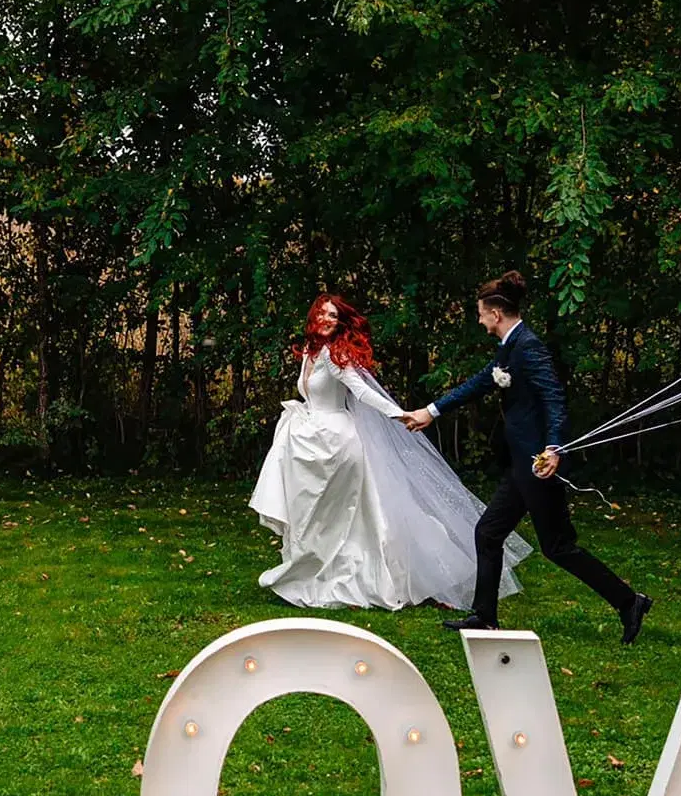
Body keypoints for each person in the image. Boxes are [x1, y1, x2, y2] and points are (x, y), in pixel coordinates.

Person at [403, 271, 652, 643]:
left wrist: (554, 447)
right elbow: (480, 382)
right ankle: (484, 617)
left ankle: (629, 601)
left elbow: (553, 398)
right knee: (488, 533)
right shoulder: (510, 347)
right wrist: (431, 411)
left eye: (481, 313)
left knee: (557, 547)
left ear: (496, 313)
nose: (479, 319)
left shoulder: (528, 347)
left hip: (536, 464)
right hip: (522, 464)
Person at [250, 293, 529, 610]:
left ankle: (360, 577)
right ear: (313, 318)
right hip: (311, 442)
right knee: (317, 516)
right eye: (322, 314)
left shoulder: (334, 356)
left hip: (337, 444)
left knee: (339, 518)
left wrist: (400, 415)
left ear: (340, 323)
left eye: (333, 316)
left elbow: (362, 392)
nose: (327, 320)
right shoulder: (309, 353)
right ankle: (314, 571)